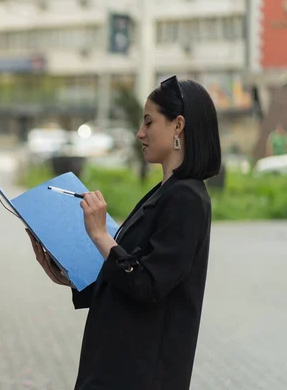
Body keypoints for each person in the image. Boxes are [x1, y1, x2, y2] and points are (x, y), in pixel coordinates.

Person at [27, 75, 221, 390]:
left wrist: (101, 234)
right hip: (119, 362)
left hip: (142, 372)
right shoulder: (166, 191)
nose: (139, 133)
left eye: (148, 122)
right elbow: (130, 276)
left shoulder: (187, 198)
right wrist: (73, 278)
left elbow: (147, 284)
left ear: (178, 125)